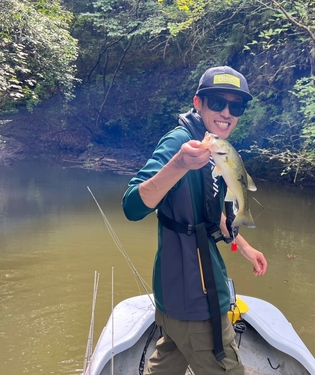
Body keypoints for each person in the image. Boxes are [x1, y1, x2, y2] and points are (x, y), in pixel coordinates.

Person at [122, 66, 267, 375]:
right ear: (198, 103)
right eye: (217, 102)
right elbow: (132, 206)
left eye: (236, 106)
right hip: (196, 298)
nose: (227, 112)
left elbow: (212, 216)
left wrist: (246, 248)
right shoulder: (181, 143)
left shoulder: (216, 147)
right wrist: (179, 164)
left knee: (168, 359)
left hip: (175, 294)